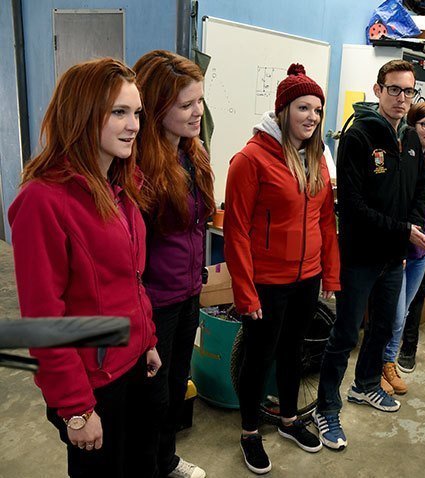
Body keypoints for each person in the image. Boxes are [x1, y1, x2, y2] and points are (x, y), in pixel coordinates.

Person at [8, 58, 162, 478]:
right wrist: (75, 407)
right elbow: (43, 318)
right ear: (82, 113)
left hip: (134, 366)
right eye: (118, 112)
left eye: (137, 114)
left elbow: (130, 280)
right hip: (93, 384)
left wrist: (146, 338)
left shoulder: (121, 186)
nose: (133, 125)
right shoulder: (43, 200)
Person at [224, 64, 340, 474]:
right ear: (283, 111)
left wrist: (331, 272)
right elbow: (235, 230)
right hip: (267, 281)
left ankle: (290, 420)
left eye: (318, 109)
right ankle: (250, 432)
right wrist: (245, 291)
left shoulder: (317, 157)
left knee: (294, 351)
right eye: (303, 107)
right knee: (259, 356)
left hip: (307, 277)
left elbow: (326, 220)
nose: (312, 117)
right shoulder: (250, 159)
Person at [313, 59, 425, 450]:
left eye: (408, 91)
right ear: (378, 89)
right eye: (394, 89)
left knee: (382, 327)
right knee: (346, 333)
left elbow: (419, 192)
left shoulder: (412, 140)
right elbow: (352, 204)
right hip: (360, 255)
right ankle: (326, 407)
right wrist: (404, 230)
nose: (401, 98)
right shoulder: (359, 136)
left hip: (394, 256)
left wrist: (410, 228)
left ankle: (365, 386)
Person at [133, 50, 215, 478]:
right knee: (153, 397)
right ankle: (150, 465)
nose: (198, 111)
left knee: (177, 384)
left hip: (187, 293)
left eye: (200, 100)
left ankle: (166, 461)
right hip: (155, 302)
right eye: (186, 105)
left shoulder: (191, 152)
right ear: (157, 106)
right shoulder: (137, 167)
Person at [386, 102, 425, 383]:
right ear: (412, 126)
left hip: (422, 253)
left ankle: (388, 364)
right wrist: (400, 245)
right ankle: (380, 364)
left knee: (406, 311)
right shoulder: (402, 159)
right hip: (401, 251)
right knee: (395, 316)